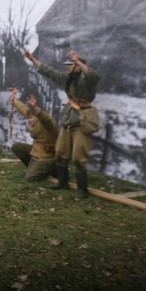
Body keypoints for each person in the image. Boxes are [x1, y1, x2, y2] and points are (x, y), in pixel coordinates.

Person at [24, 50, 100, 198]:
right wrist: (33, 59)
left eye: (70, 65)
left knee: (79, 157)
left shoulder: (87, 80)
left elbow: (94, 77)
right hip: (67, 120)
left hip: (81, 121)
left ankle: (82, 189)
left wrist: (78, 61)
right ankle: (62, 182)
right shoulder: (69, 78)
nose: (67, 68)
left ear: (78, 66)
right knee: (60, 153)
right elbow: (49, 71)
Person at [9, 89, 58, 182]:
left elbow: (46, 119)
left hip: (48, 156)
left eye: (31, 117)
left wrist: (35, 108)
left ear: (37, 116)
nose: (29, 119)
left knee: (30, 178)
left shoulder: (46, 123)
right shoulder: (33, 118)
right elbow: (23, 109)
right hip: (38, 151)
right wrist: (13, 101)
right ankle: (34, 168)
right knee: (17, 147)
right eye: (29, 117)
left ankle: (51, 169)